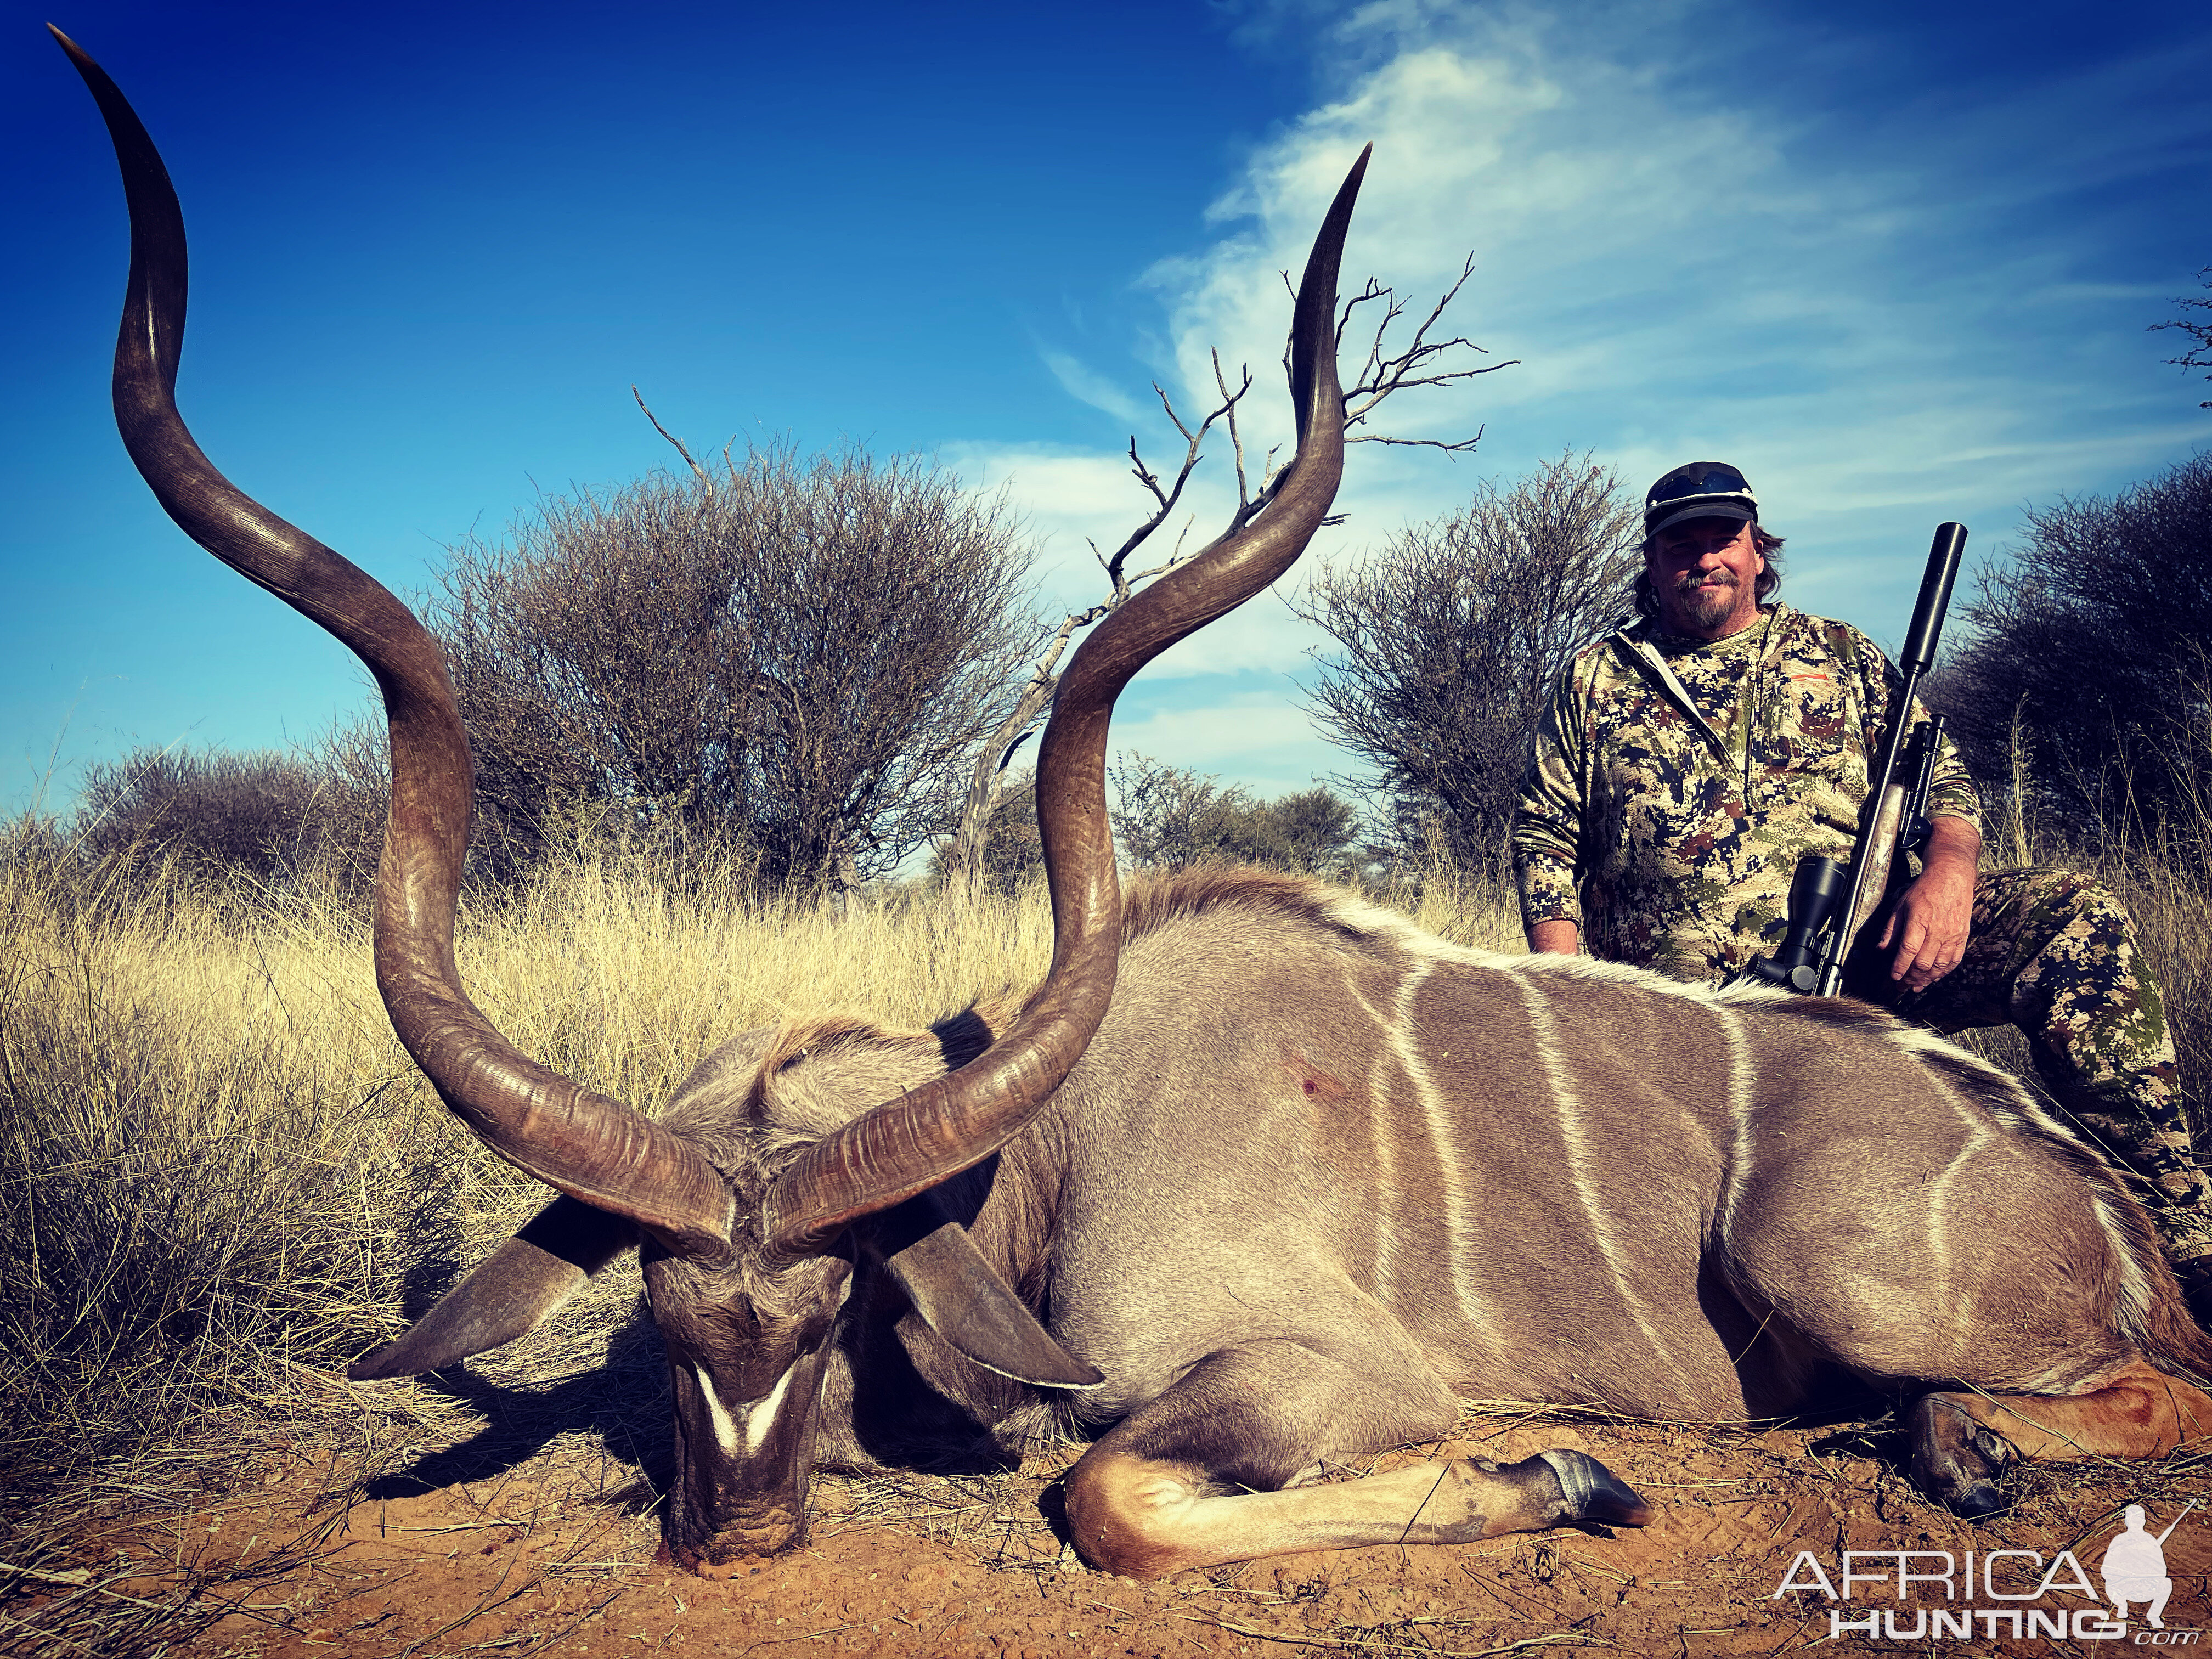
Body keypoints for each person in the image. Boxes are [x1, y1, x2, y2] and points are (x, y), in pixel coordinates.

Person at [1512, 460, 2212, 1318]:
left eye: (1723, 541)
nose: (1706, 561)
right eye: (1681, 545)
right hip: (1689, 1016)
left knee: (2075, 920)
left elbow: (1946, 787)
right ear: (1651, 563)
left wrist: (1949, 878)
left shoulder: (1841, 653)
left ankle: (2179, 1227)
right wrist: (1573, 996)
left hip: (1871, 958)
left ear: (1757, 551)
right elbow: (1545, 834)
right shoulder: (1595, 677)